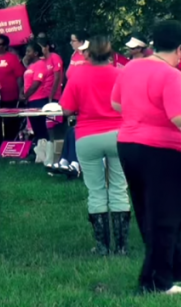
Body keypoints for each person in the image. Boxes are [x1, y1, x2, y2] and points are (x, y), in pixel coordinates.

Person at [112, 21, 181, 295]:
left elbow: (116, 103)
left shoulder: (132, 67)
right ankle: (156, 281)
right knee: (167, 216)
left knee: (153, 212)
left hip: (130, 145)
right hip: (165, 151)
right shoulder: (172, 76)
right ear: (180, 49)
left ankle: (178, 268)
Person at [59, 35, 129, 255]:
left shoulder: (78, 76)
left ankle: (102, 247)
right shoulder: (121, 74)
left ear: (87, 54)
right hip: (119, 134)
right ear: (111, 54)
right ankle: (122, 247)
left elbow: (66, 110)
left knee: (96, 190)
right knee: (119, 188)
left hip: (88, 136)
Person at [0, 35, 25, 147]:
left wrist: (20, 91)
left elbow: (19, 76)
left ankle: (9, 146)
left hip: (10, 96)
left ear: (5, 46)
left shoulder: (12, 58)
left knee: (10, 123)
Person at [20, 42, 53, 149]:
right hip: (30, 100)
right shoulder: (30, 66)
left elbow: (36, 83)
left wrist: (26, 95)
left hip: (38, 100)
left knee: (40, 127)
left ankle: (47, 151)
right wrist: (22, 93)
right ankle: (39, 152)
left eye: (29, 51)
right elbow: (26, 82)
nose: (26, 54)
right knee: (35, 127)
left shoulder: (40, 64)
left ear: (36, 53)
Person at [38, 37, 63, 101]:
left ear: (47, 47)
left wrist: (51, 95)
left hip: (54, 96)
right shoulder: (41, 60)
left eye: (41, 47)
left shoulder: (55, 57)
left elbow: (57, 77)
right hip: (42, 95)